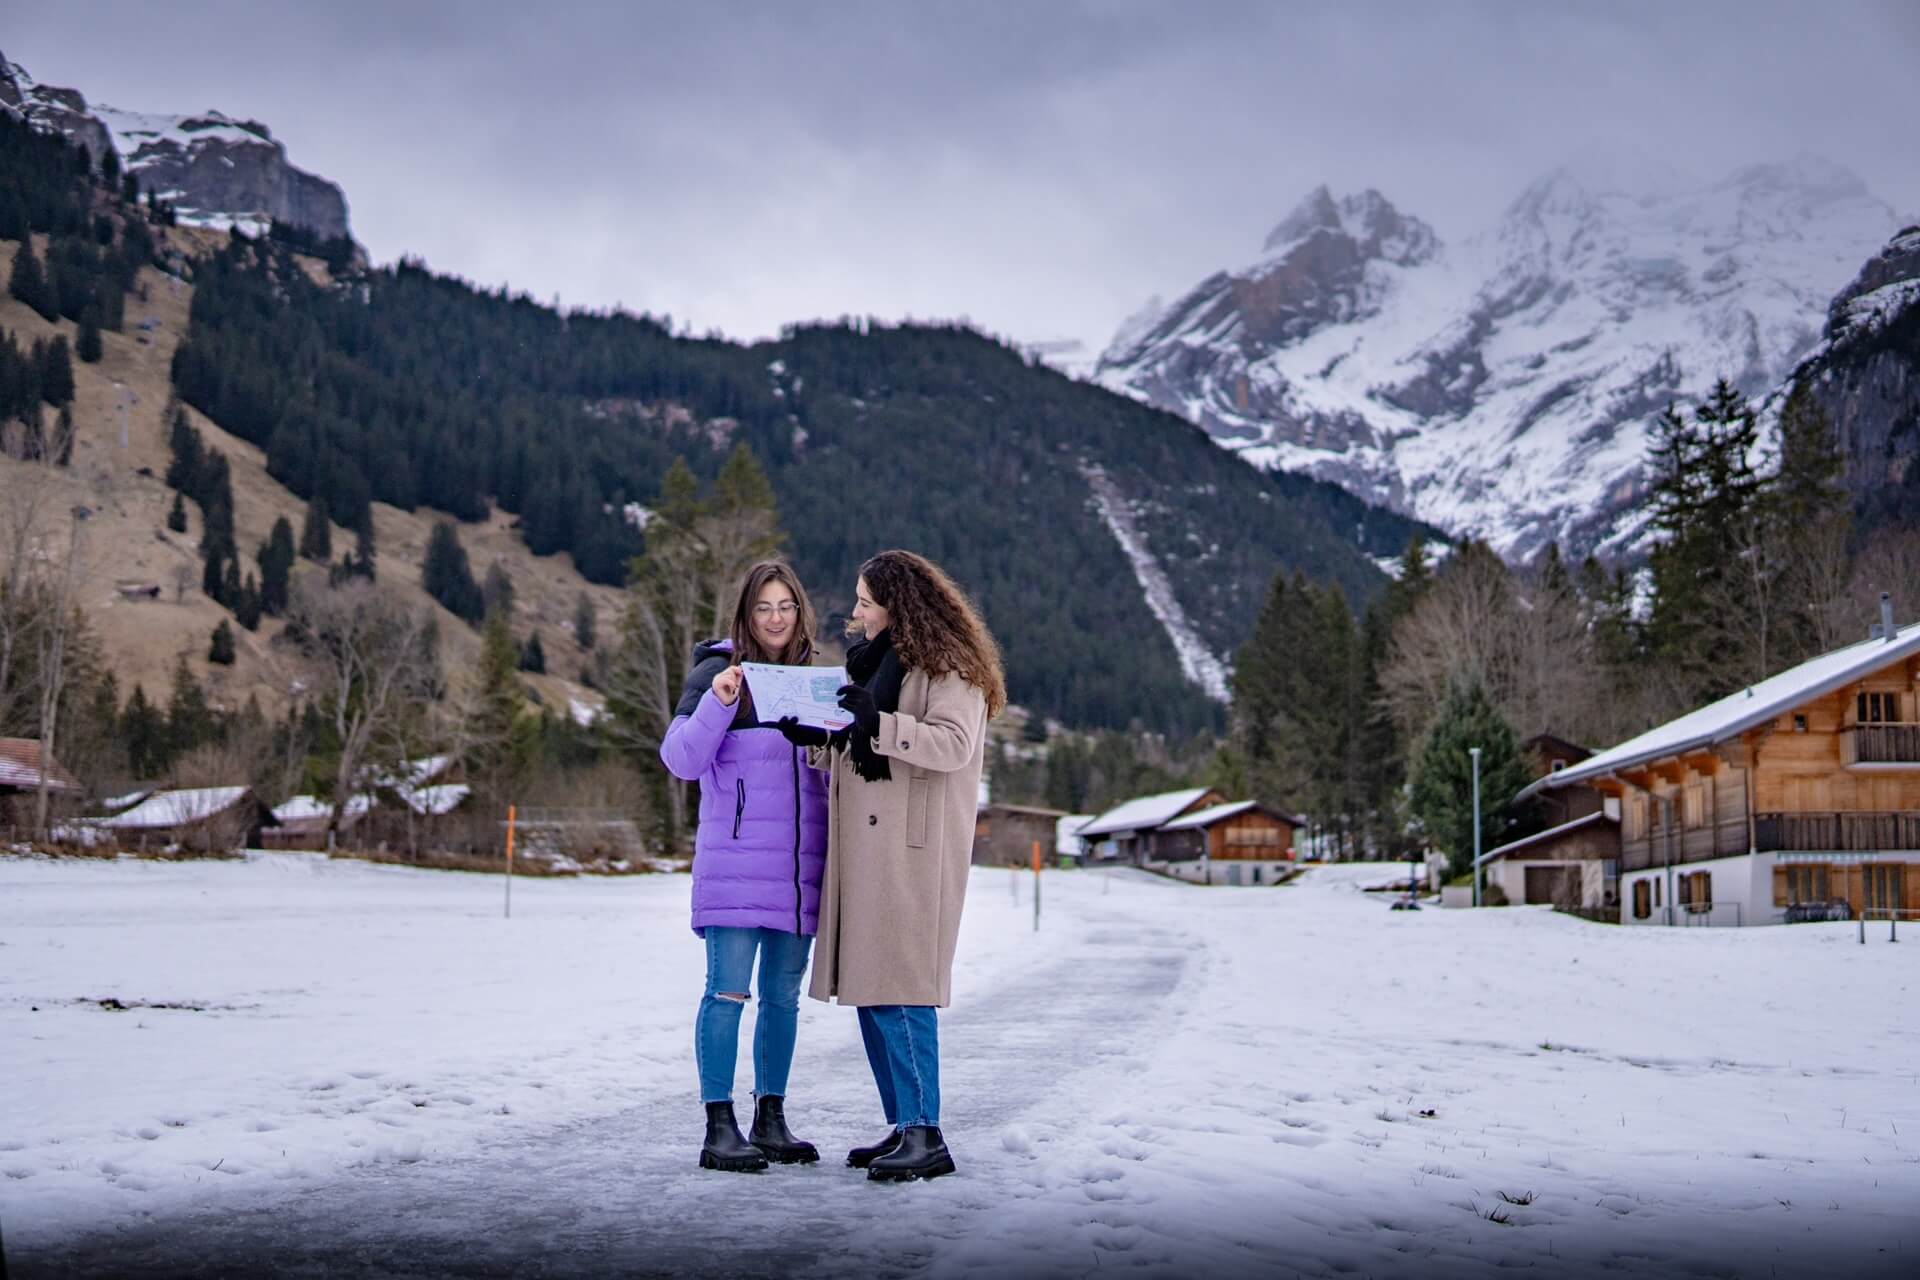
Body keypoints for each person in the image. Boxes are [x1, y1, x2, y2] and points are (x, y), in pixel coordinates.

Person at [803, 549, 1005, 1182]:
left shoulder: (951, 668)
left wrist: (877, 723)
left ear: (899, 604)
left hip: (912, 852)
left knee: (904, 988)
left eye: (866, 600)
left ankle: (927, 1134)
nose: (856, 611)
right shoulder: (873, 665)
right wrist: (816, 742)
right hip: (867, 851)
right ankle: (903, 1125)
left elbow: (951, 744)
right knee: (871, 989)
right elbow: (864, 752)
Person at [659, 560, 833, 1173]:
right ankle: (719, 1126)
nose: (776, 618)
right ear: (745, 613)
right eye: (764, 607)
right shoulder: (716, 671)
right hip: (735, 868)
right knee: (727, 994)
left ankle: (771, 1118)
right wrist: (716, 703)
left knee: (782, 999)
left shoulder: (816, 681)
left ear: (800, 612)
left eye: (786, 606)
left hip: (799, 872)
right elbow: (680, 759)